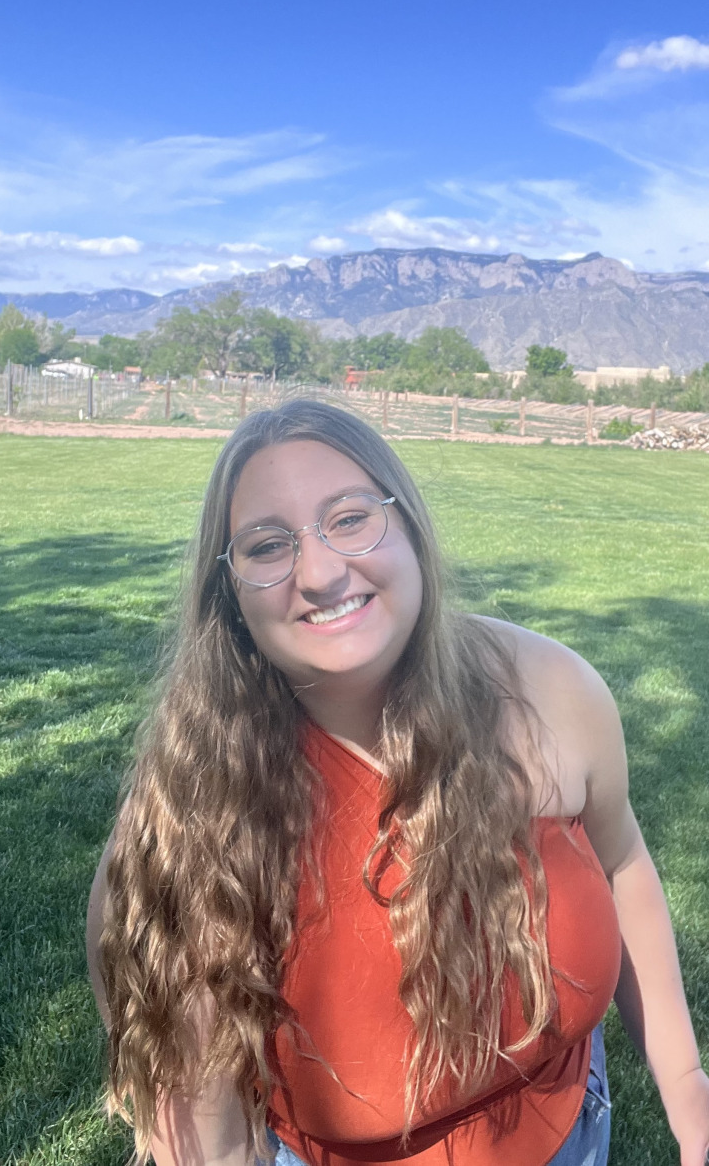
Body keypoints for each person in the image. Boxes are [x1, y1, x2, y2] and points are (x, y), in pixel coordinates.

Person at [87, 398, 709, 1166]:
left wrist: (685, 1080)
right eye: (266, 545)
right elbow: (198, 1123)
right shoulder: (195, 809)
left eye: (350, 518)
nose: (317, 572)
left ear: (409, 524)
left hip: (572, 1131)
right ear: (231, 593)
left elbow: (622, 866)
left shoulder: (551, 692)